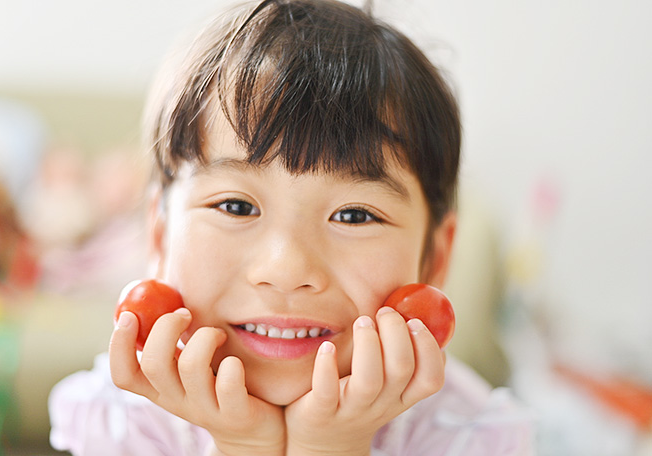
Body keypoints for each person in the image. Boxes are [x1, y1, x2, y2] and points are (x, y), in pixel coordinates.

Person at [49, 0, 534, 454]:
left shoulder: (467, 436)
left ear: (436, 258)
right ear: (158, 234)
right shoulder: (123, 422)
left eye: (354, 215)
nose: (286, 268)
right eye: (236, 206)